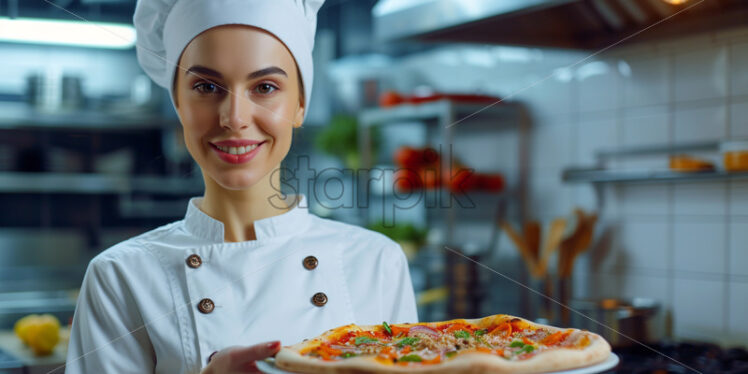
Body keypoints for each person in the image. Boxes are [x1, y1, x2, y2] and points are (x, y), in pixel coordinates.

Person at [64, 0, 419, 373]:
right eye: (206, 86)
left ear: (299, 104)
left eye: (264, 86)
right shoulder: (121, 277)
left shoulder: (377, 262)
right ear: (178, 103)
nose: (234, 118)